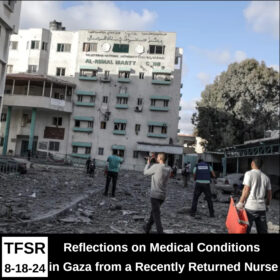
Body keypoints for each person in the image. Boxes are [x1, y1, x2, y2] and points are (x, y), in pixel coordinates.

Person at [236, 158, 272, 234]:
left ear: (252, 163)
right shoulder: (266, 177)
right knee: (262, 231)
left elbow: (246, 189)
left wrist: (240, 203)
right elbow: (269, 194)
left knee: (245, 230)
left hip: (250, 208)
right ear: (261, 165)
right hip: (262, 208)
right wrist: (267, 205)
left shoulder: (249, 173)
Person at [143, 153, 171, 234]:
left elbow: (145, 173)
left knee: (156, 215)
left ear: (159, 158)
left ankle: (160, 231)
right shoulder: (168, 168)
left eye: (157, 157)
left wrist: (148, 163)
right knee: (154, 212)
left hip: (155, 194)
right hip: (162, 195)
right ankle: (147, 228)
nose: (156, 158)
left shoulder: (156, 166)